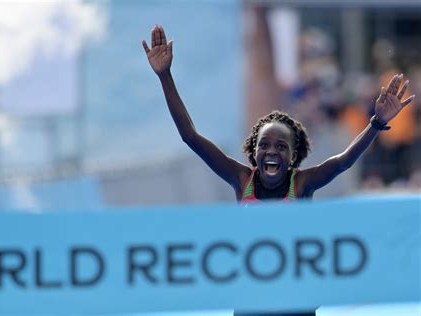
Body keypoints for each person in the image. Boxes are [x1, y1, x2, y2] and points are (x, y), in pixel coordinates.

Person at [142, 25, 415, 316]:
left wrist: (376, 123)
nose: (272, 151)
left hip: (297, 303)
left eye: (281, 147)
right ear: (254, 151)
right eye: (265, 145)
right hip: (251, 303)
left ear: (294, 155)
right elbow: (190, 136)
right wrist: (165, 76)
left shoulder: (302, 184)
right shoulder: (241, 180)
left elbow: (344, 161)